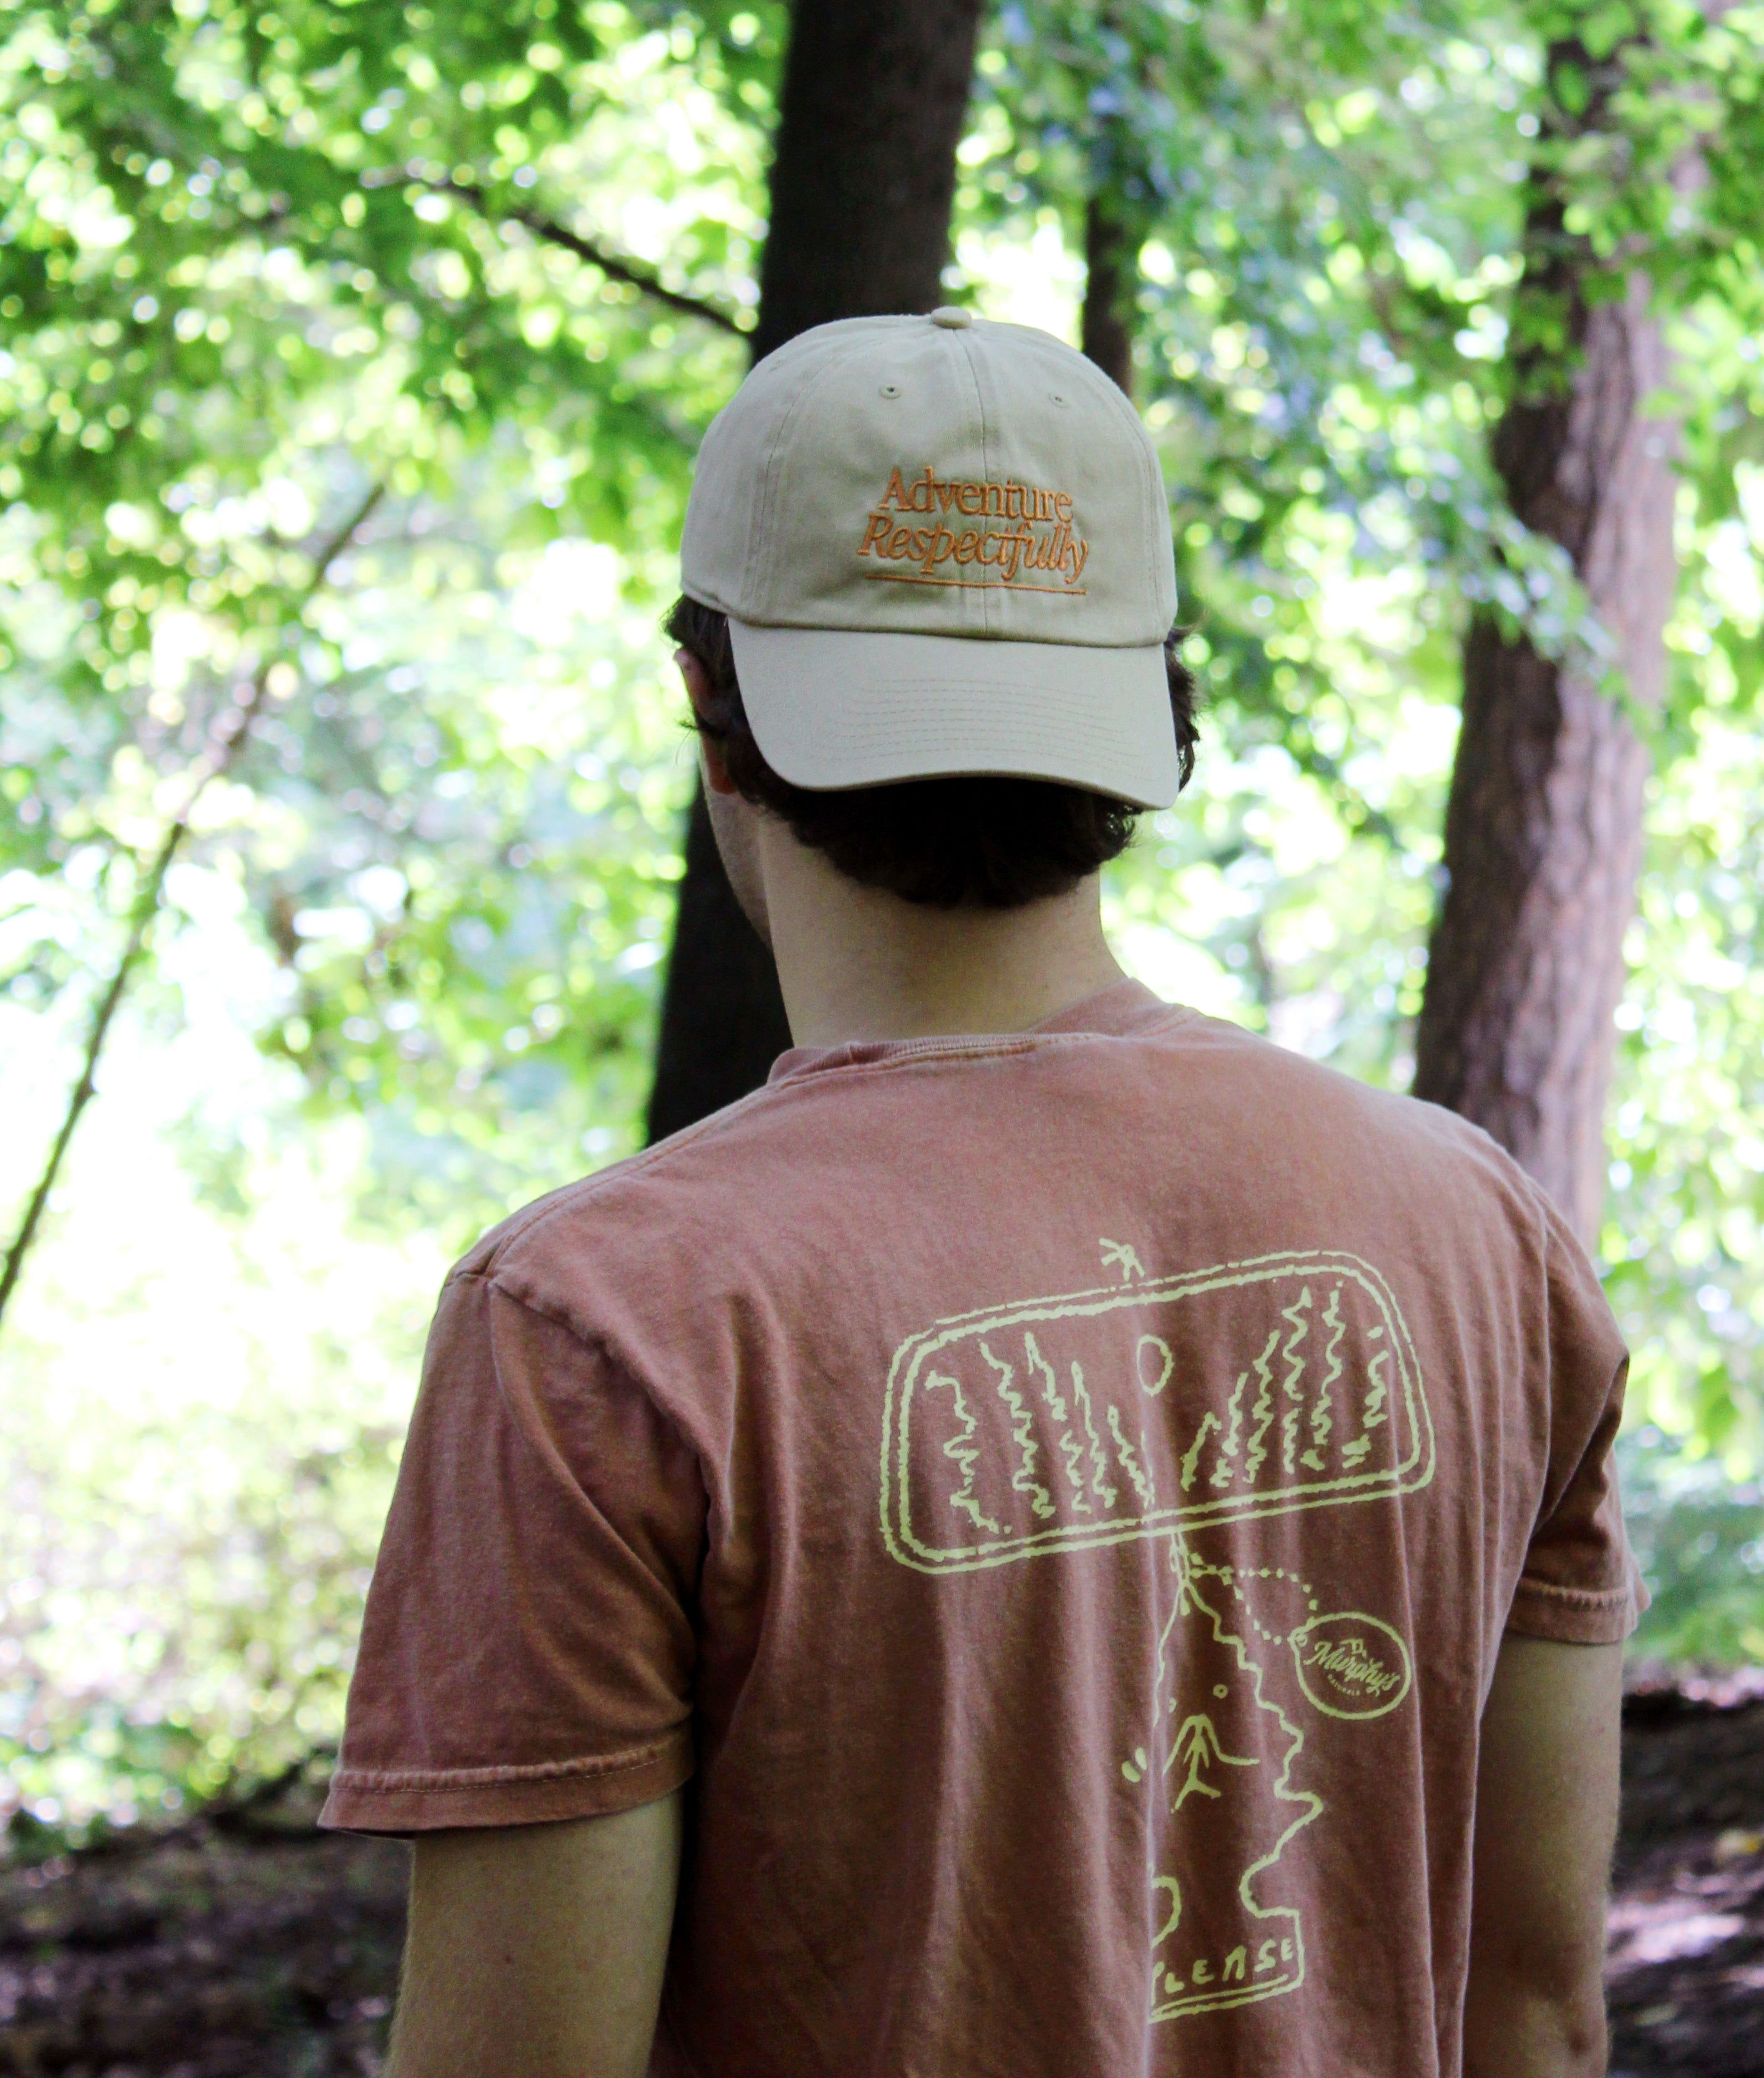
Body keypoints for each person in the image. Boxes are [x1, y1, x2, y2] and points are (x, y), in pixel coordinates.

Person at [321, 307, 1644, 2078]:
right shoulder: (1478, 1234)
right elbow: (1539, 2023)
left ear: (713, 710)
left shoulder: (599, 1331)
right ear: (1152, 714)